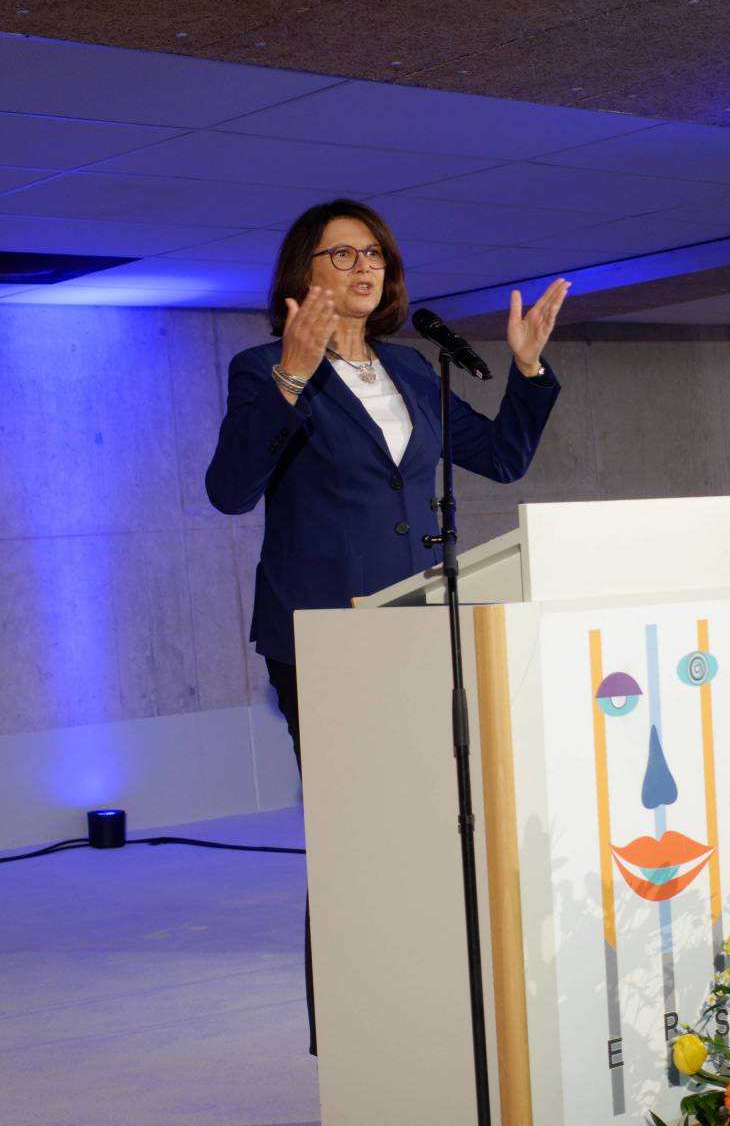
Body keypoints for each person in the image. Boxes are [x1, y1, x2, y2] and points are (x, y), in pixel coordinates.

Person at [205, 198, 568, 1055]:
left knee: (427, 823)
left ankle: (426, 1005)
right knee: (351, 834)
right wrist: (293, 378)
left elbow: (501, 458)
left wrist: (527, 370)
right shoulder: (263, 368)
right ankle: (351, 1038)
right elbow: (229, 490)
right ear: (303, 272)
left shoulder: (410, 368)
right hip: (324, 639)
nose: (363, 266)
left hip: (419, 630)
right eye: (341, 254)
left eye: (373, 253)